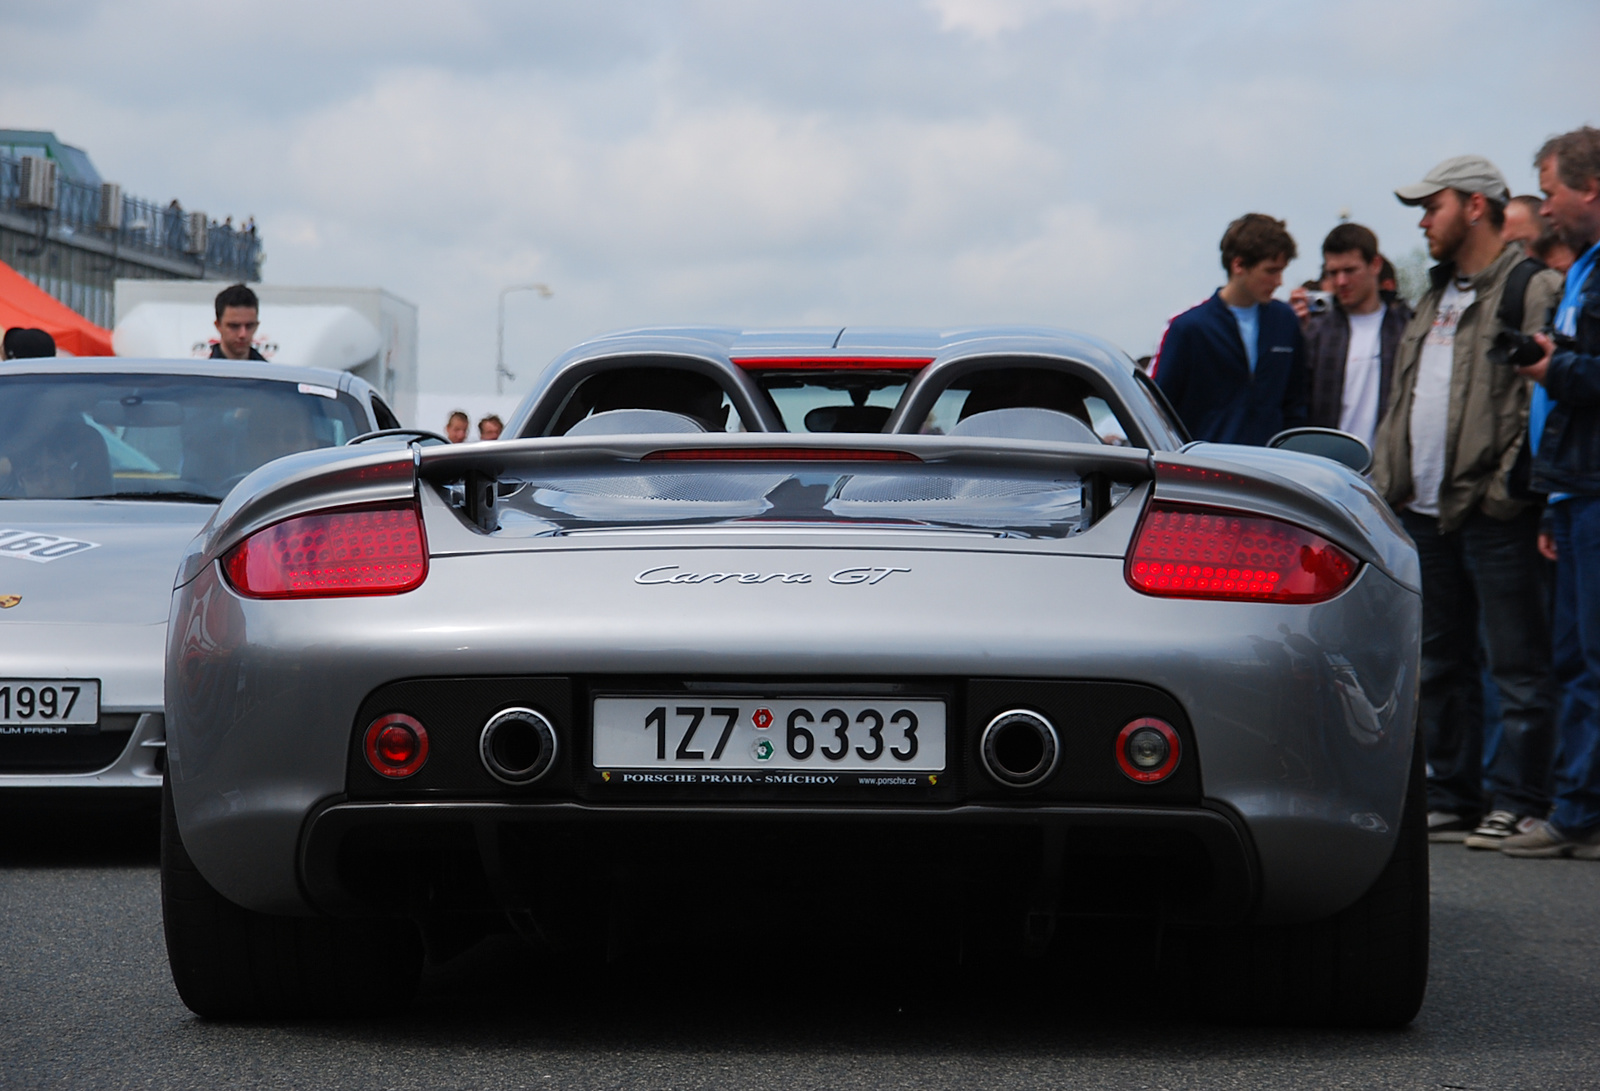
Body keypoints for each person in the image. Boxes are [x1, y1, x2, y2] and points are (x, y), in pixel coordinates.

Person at [1370, 155, 1564, 848]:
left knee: (1516, 664)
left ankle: (1520, 797)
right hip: (1422, 509)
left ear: (1474, 206)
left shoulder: (1532, 286)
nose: (1423, 220)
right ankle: (1453, 792)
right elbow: (1406, 399)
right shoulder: (1432, 294)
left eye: (1433, 206)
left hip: (1492, 510)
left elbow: (1537, 398)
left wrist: (1505, 487)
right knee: (1439, 662)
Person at [1499, 127, 1600, 858]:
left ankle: (1579, 813)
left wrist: (1553, 371)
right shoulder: (1585, 271)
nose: (1546, 206)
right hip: (1573, 494)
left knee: (1590, 659)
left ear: (1589, 187)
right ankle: (1577, 806)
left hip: (1595, 489)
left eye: (1552, 187)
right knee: (1573, 657)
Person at [1152, 213, 1307, 444]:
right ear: (1239, 265)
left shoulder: (1285, 321)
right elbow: (1156, 409)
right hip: (1207, 471)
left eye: (1281, 270)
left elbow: (1297, 403)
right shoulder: (1189, 328)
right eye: (1271, 270)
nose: (1279, 281)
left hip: (1273, 469)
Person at [1299, 223, 1412, 446]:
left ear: (1375, 264)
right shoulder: (1316, 333)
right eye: (1333, 273)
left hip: (1389, 470)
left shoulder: (1407, 328)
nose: (1341, 281)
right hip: (1328, 470)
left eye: (1350, 270)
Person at [211, 283, 266, 361]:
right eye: (234, 326)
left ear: (257, 326)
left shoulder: (270, 372)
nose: (242, 334)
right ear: (218, 325)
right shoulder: (201, 372)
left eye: (249, 326)